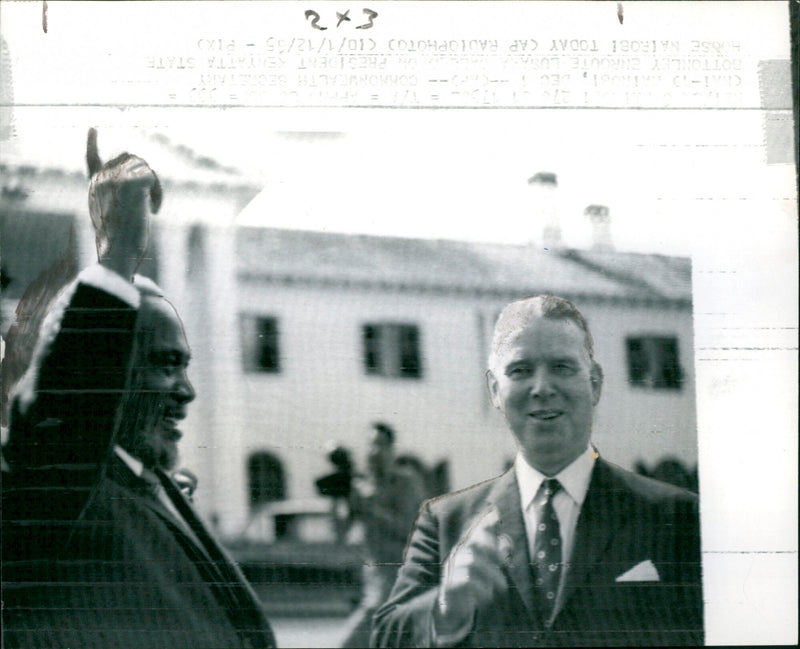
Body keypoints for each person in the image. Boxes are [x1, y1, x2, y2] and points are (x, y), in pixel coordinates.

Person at [1, 143, 276, 648]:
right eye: (166, 365)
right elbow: (64, 417)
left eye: (186, 366)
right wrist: (119, 255)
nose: (188, 392)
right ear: (106, 373)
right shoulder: (49, 481)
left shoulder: (148, 479)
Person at [371, 295, 703, 647]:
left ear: (595, 384)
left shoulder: (678, 516)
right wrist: (445, 606)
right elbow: (387, 637)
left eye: (562, 367)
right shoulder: (445, 521)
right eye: (520, 370)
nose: (542, 388)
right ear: (495, 390)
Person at [339, 423, 428, 648]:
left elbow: (411, 528)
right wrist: (342, 503)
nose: (374, 451)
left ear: (391, 449)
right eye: (370, 445)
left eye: (380, 444)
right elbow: (343, 532)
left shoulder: (405, 481)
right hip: (372, 574)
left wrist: (370, 509)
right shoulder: (361, 485)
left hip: (401, 576)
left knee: (349, 643)